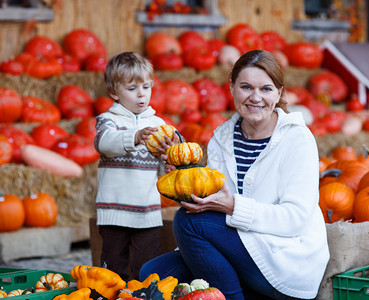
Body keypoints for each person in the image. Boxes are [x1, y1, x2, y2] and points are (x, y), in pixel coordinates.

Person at [140, 50, 329, 299]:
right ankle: (242, 291)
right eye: (246, 87)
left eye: (266, 89)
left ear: (280, 93)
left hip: (284, 257)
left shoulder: (297, 139)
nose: (255, 97)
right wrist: (183, 178)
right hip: (240, 245)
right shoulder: (223, 137)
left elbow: (295, 219)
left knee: (187, 223)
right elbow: (211, 203)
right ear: (231, 88)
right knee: (152, 273)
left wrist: (232, 207)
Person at [94, 51, 174, 281]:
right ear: (113, 93)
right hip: (114, 211)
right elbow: (104, 143)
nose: (141, 95)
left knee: (146, 269)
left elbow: (160, 166)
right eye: (132, 89)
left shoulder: (158, 124)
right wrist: (135, 137)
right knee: (113, 269)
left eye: (146, 87)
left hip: (147, 210)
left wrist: (168, 165)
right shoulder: (108, 120)